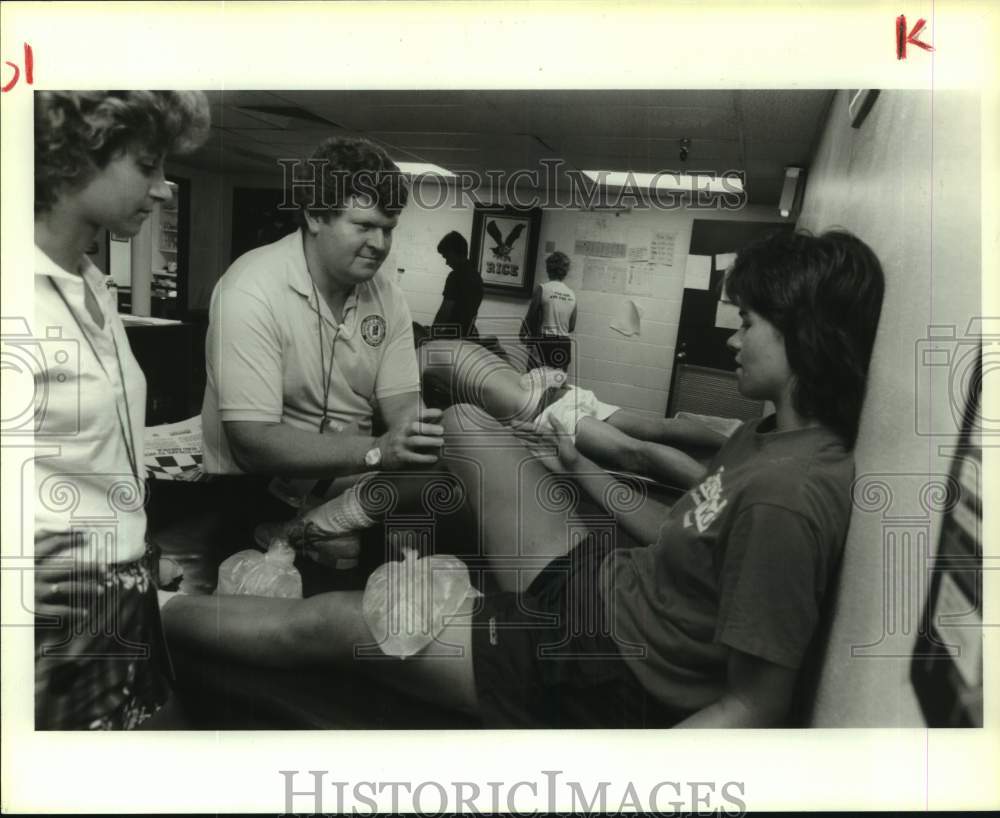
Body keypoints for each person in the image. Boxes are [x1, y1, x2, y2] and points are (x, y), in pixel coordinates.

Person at [161, 228, 884, 729]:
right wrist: (581, 469)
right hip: (607, 582)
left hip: (597, 665)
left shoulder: (789, 496)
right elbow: (676, 527)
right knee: (465, 425)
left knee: (333, 624)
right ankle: (325, 521)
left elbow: (756, 705)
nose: (733, 335)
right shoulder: (765, 435)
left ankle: (157, 608)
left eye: (748, 322)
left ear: (801, 333)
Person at [33, 90, 210, 729]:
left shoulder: (91, 284)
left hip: (121, 587)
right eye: (147, 165)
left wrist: (139, 549)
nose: (163, 189)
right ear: (72, 157)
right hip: (55, 615)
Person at [200, 136, 446, 561]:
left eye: (388, 229)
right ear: (315, 215)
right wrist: (378, 451)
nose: (380, 244)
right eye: (364, 226)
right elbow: (252, 443)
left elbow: (402, 403)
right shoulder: (250, 290)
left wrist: (412, 438)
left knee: (451, 477)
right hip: (254, 489)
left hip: (346, 478)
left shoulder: (387, 296)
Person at [418, 340, 727, 489]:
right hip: (561, 392)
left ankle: (723, 495)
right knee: (656, 427)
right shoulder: (459, 346)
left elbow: (416, 416)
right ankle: (734, 442)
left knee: (635, 454)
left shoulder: (420, 358)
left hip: (550, 411)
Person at [520, 250, 577, 372]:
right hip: (564, 343)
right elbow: (571, 326)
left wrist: (521, 334)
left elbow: (531, 316)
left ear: (548, 269)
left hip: (545, 341)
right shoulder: (572, 294)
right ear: (565, 272)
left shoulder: (543, 289)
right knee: (557, 381)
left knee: (532, 379)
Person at [430, 231, 483, 339]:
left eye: (447, 257)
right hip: (468, 335)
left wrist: (431, 335)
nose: (447, 262)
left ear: (454, 252)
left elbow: (445, 311)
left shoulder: (455, 277)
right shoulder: (477, 277)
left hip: (452, 337)